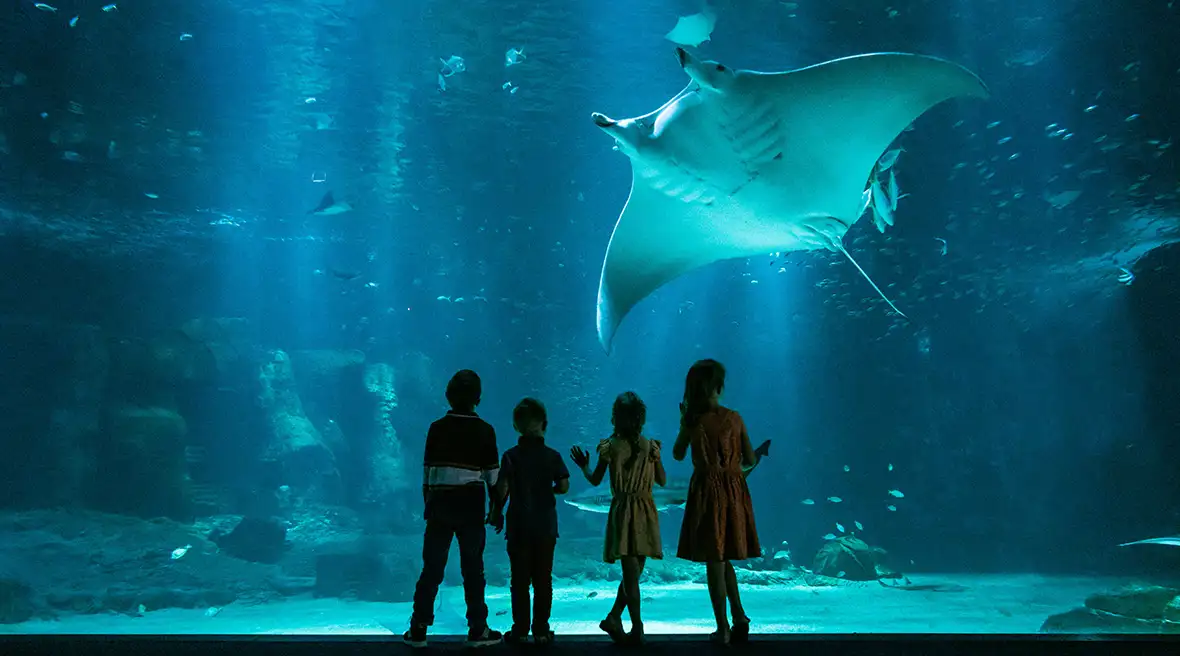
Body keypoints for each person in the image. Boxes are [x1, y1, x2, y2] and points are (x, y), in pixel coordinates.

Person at [404, 370, 503, 649]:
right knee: (473, 569)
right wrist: (497, 508)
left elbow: (428, 472)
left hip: (440, 505)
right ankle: (477, 629)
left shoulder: (437, 428)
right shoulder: (485, 430)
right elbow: (492, 476)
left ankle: (418, 628)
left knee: (432, 568)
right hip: (471, 505)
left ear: (447, 395)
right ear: (479, 399)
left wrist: (429, 503)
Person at [673, 359, 760, 645]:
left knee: (714, 557)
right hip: (734, 490)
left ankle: (722, 627)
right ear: (720, 387)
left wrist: (684, 423)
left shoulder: (692, 420)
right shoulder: (735, 417)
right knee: (723, 557)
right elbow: (750, 459)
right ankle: (739, 617)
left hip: (707, 492)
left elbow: (676, 453)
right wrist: (731, 472)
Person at [570, 391, 666, 645]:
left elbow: (595, 480)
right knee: (635, 572)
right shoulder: (651, 447)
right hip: (645, 509)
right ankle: (635, 627)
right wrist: (656, 459)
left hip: (624, 510)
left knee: (632, 573)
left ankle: (620, 619)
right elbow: (663, 481)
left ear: (615, 418)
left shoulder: (610, 447)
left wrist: (583, 466)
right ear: (641, 419)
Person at [487, 398, 570, 645]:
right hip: (545, 526)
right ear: (545, 424)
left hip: (518, 526)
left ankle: (521, 630)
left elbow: (502, 488)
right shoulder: (553, 456)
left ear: (515, 426)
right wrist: (549, 490)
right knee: (543, 579)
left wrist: (495, 513)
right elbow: (564, 486)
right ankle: (542, 631)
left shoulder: (511, 456)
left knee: (519, 580)